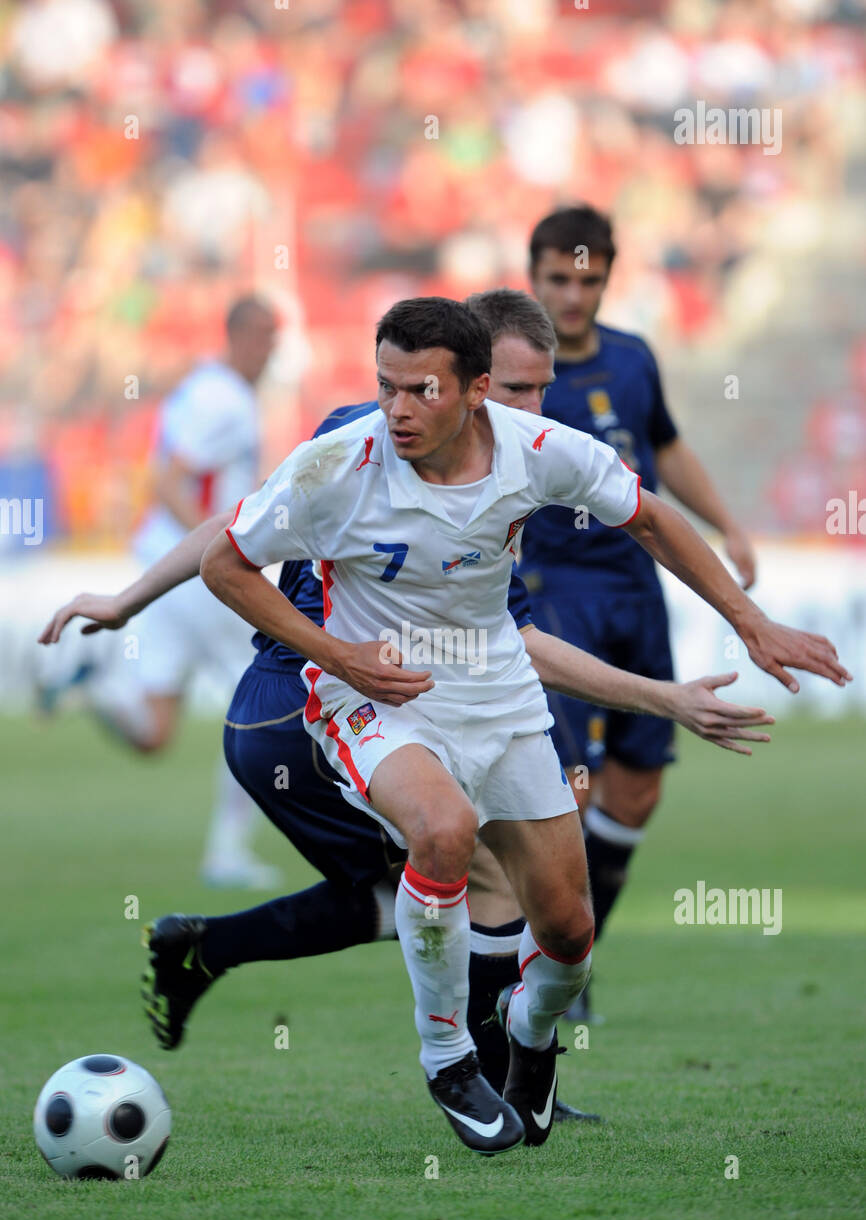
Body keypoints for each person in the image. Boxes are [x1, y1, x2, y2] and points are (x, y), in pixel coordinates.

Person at [38, 292, 776, 1127]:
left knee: (459, 896)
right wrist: (130, 600)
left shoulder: (518, 467)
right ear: (469, 378)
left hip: (420, 684)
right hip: (302, 689)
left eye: (540, 392)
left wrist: (669, 694)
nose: (531, 411)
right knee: (456, 867)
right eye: (518, 391)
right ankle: (472, 1070)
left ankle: (209, 950)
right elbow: (234, 532)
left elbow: (509, 637)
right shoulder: (365, 438)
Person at [198, 296, 849, 1153]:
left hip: (498, 696)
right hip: (371, 697)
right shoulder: (337, 464)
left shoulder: (536, 453)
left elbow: (650, 517)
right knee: (443, 831)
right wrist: (340, 655)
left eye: (419, 390)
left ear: (475, 392)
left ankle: (532, 1037)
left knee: (569, 934)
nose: (396, 409)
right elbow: (224, 562)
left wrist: (751, 622)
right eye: (386, 386)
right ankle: (449, 1060)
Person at [524, 206, 759, 1020]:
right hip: (555, 593)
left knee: (636, 795)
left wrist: (727, 524)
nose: (575, 294)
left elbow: (666, 449)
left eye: (589, 279)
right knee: (569, 794)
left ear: (607, 279)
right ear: (534, 276)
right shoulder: (513, 374)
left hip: (638, 587)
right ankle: (542, 969)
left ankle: (574, 957)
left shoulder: (632, 359)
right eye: (559, 279)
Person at [42, 295, 281, 890]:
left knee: (153, 733)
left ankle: (96, 685)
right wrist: (214, 547)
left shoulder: (199, 386)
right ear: (247, 335)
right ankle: (227, 852)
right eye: (270, 337)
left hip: (160, 565)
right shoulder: (224, 398)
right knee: (262, 702)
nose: (274, 350)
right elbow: (171, 481)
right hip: (198, 573)